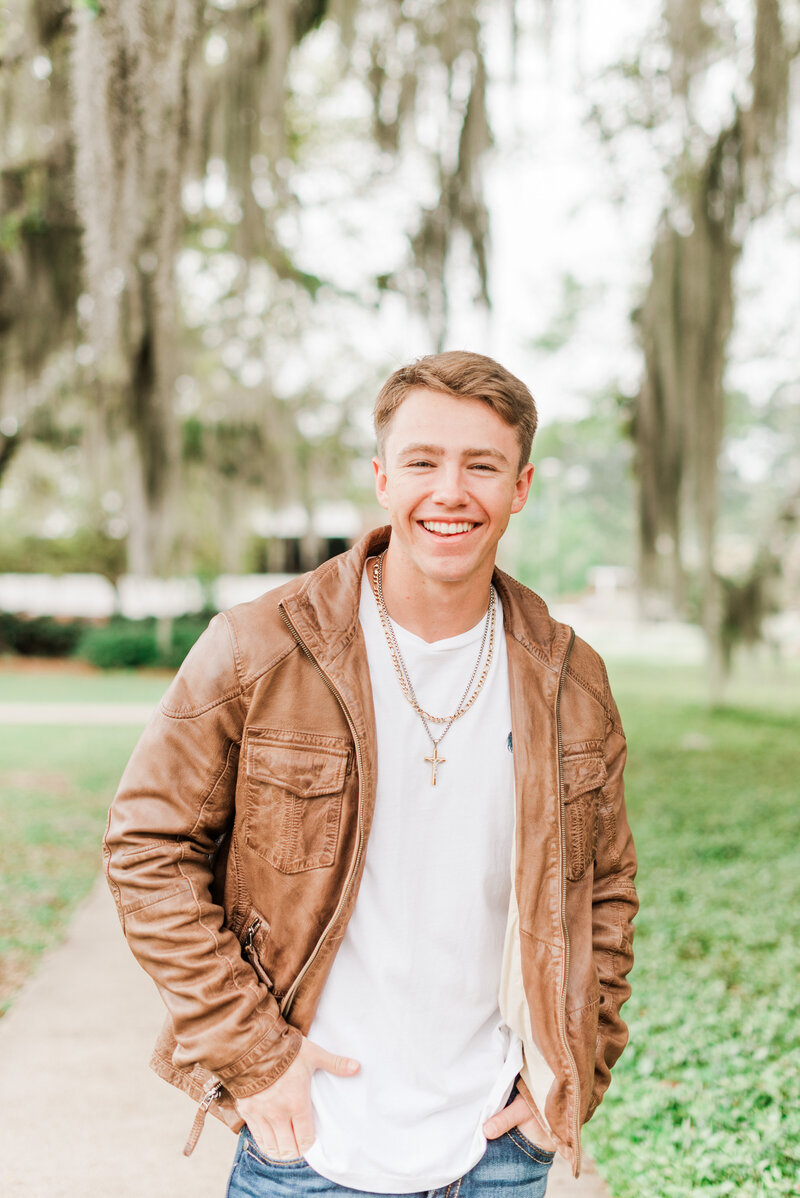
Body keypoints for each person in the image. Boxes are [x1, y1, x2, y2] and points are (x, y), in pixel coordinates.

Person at [104, 351, 638, 1198]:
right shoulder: (258, 646)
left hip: (497, 1151)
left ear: (521, 487)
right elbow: (147, 848)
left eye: (482, 466)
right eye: (423, 462)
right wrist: (253, 1055)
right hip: (307, 1145)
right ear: (383, 478)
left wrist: (572, 1077)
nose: (451, 492)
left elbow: (605, 892)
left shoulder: (571, 680)